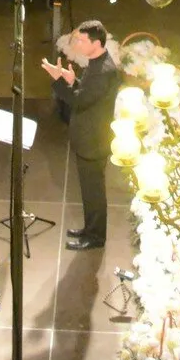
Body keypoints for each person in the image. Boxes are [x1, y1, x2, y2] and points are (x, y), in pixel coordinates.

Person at [43, 22, 120, 251]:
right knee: (88, 190)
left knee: (93, 192)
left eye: (82, 40)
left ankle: (96, 237)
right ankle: (90, 229)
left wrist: (57, 80)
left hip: (93, 142)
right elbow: (86, 94)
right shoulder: (96, 64)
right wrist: (71, 80)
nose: (77, 44)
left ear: (96, 43)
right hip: (88, 138)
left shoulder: (103, 71)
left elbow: (79, 100)